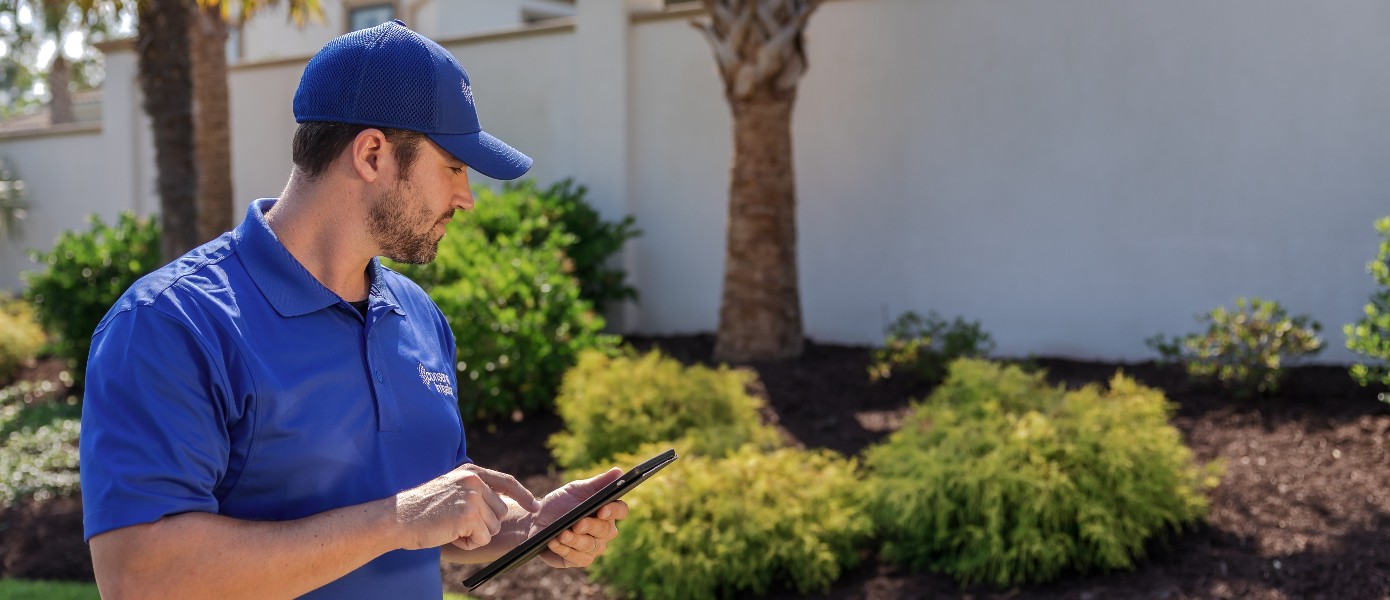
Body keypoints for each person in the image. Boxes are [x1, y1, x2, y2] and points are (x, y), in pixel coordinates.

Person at [79, 20, 627, 599]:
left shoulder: (416, 316)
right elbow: (140, 578)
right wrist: (397, 518)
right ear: (371, 154)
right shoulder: (172, 323)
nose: (466, 198)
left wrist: (530, 526)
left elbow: (427, 520)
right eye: (454, 167)